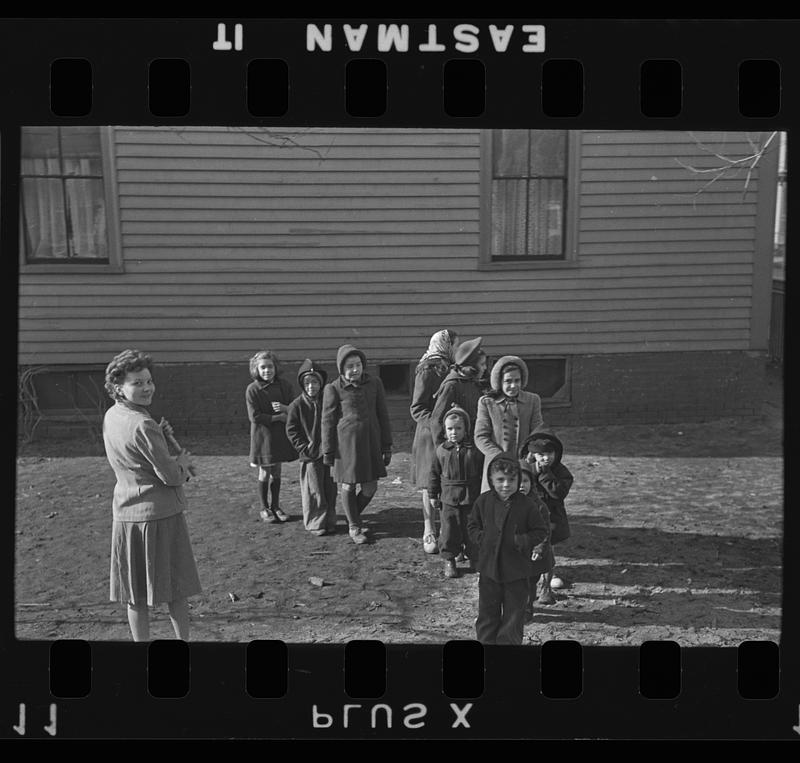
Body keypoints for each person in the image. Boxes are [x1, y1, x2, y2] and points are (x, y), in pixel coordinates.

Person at [102, 349, 201, 642]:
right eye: (137, 383)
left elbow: (133, 452)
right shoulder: (144, 424)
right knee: (176, 590)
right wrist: (181, 464)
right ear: (118, 387)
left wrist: (156, 434)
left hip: (126, 516)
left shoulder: (113, 415)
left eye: (148, 381)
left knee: (136, 594)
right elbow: (170, 475)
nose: (147, 388)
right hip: (160, 517)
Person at [467, 452, 549, 645]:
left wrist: (520, 541)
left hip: (517, 571)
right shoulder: (483, 501)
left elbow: (540, 530)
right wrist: (483, 539)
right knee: (487, 613)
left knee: (514, 615)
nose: (506, 485)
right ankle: (486, 645)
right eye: (500, 480)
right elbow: (472, 525)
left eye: (511, 480)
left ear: (518, 479)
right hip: (489, 570)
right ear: (491, 479)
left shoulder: (527, 505)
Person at [321, 344, 392, 545]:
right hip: (346, 447)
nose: (355, 369)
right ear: (342, 369)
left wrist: (386, 445)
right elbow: (327, 421)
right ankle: (354, 526)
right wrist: (327, 451)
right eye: (350, 366)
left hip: (371, 443)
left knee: (370, 487)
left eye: (358, 364)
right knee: (349, 485)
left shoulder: (374, 383)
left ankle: (354, 517)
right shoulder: (333, 389)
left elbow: (383, 414)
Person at [409, 329, 459, 554]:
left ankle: (449, 529)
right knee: (429, 482)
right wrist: (438, 423)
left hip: (452, 432)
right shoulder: (427, 370)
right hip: (430, 435)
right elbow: (417, 408)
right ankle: (429, 528)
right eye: (455, 345)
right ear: (445, 344)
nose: (457, 349)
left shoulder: (452, 368)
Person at [474, 355, 544, 493]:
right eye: (508, 381)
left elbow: (538, 432)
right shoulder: (487, 403)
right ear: (499, 382)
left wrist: (531, 454)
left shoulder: (532, 400)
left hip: (523, 465)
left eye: (517, 380)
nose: (513, 386)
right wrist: (501, 457)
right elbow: (480, 437)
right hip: (496, 466)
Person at [428, 406, 484, 578]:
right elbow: (434, 474)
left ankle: (475, 557)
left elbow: (483, 473)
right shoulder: (441, 450)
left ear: (466, 429)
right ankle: (450, 559)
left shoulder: (475, 450)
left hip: (471, 496)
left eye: (458, 428)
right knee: (449, 530)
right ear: (445, 430)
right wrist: (432, 495)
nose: (454, 432)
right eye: (450, 429)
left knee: (471, 529)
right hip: (448, 498)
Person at [520, 431, 573, 604]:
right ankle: (525, 586)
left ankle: (546, 587)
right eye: (541, 455)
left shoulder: (561, 471)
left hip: (551, 518)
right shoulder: (524, 470)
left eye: (549, 454)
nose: (546, 458)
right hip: (528, 519)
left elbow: (557, 492)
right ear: (532, 455)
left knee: (547, 550)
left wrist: (544, 473)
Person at [286, 359, 338, 537]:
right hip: (310, 455)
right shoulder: (297, 406)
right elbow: (292, 430)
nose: (311, 387)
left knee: (330, 487)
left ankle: (330, 519)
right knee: (314, 489)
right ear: (302, 384)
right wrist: (303, 447)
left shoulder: (328, 402)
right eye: (307, 383)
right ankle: (316, 521)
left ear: (321, 383)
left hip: (328, 452)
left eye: (315, 382)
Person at [246, 350, 298, 524]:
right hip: (263, 437)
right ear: (256, 369)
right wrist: (277, 417)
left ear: (275, 367)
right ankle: (264, 507)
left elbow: (294, 407)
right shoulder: (253, 389)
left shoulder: (284, 386)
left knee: (277, 471)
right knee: (265, 471)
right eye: (263, 367)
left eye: (270, 367)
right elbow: (255, 416)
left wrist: (284, 409)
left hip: (279, 436)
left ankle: (276, 505)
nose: (267, 371)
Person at [430, 336, 487, 448]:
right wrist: (443, 450)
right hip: (458, 449)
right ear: (470, 367)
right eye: (482, 364)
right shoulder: (452, 386)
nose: (485, 368)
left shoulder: (474, 383)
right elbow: (437, 421)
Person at [518, 459, 553, 621]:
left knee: (528, 583)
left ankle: (526, 607)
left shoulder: (539, 507)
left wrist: (539, 549)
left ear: (531, 483)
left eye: (525, 481)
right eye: (516, 481)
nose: (521, 485)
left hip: (531, 555)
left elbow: (544, 532)